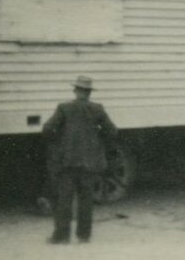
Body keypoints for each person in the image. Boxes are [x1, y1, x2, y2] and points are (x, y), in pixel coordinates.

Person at [41, 75, 118, 244]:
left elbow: (47, 129)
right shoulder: (98, 109)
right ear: (89, 93)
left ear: (75, 91)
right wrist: (97, 140)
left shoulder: (64, 108)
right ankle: (84, 236)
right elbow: (112, 131)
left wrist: (61, 140)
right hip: (90, 162)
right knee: (86, 200)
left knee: (65, 200)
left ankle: (61, 236)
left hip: (68, 162)